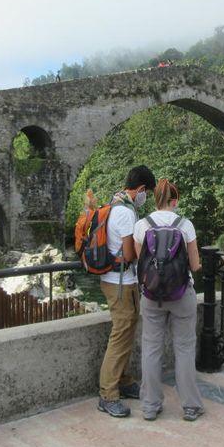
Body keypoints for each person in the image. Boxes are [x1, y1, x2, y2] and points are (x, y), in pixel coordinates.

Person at [133, 179, 204, 422]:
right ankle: (191, 406)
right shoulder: (186, 225)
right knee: (184, 348)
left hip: (152, 296)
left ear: (154, 200)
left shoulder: (142, 226)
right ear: (175, 201)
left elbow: (138, 261)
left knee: (151, 348)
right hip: (182, 294)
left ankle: (150, 406)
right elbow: (194, 265)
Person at [96, 165, 156, 418]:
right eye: (147, 193)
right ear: (141, 190)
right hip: (119, 282)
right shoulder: (125, 213)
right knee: (121, 335)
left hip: (121, 281)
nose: (147, 198)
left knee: (127, 331)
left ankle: (123, 379)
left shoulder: (115, 203)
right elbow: (130, 253)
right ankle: (107, 395)